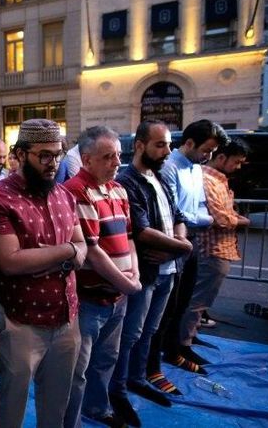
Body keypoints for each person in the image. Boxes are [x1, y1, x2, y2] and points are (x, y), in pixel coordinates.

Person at [0, 119, 87, 428]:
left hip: (66, 318)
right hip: (20, 321)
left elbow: (83, 246)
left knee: (55, 407)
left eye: (57, 154)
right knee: (10, 410)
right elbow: (11, 262)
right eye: (44, 155)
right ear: (19, 155)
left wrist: (47, 254)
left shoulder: (64, 196)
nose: (52, 163)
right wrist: (66, 251)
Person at [109, 121, 192, 426]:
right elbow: (141, 230)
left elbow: (179, 215)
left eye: (169, 145)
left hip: (168, 269)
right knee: (130, 334)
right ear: (141, 145)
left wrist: (178, 246)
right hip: (146, 272)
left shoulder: (158, 176)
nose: (167, 151)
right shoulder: (127, 181)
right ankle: (116, 390)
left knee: (149, 331)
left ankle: (137, 378)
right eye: (161, 145)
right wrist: (182, 247)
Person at [62, 126, 141, 428]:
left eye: (118, 155)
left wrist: (132, 271)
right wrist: (127, 282)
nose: (116, 163)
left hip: (117, 297)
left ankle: (97, 408)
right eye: (108, 157)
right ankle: (71, 423)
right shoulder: (75, 191)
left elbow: (130, 237)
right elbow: (91, 250)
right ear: (86, 159)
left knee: (107, 359)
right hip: (89, 300)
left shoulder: (119, 189)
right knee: (77, 369)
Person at [158, 119, 228, 374]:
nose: (208, 156)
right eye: (206, 150)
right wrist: (206, 218)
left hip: (193, 242)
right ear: (189, 143)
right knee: (168, 305)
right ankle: (165, 351)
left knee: (185, 300)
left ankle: (177, 347)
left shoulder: (196, 168)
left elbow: (198, 207)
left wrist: (203, 217)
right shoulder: (169, 167)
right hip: (173, 244)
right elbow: (178, 212)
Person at [178, 139, 250, 361]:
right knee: (198, 301)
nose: (238, 167)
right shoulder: (207, 179)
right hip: (212, 249)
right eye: (236, 162)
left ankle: (189, 337)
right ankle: (183, 343)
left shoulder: (217, 179)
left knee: (201, 301)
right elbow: (220, 218)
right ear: (221, 158)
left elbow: (225, 214)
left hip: (219, 248)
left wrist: (235, 218)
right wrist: (241, 220)